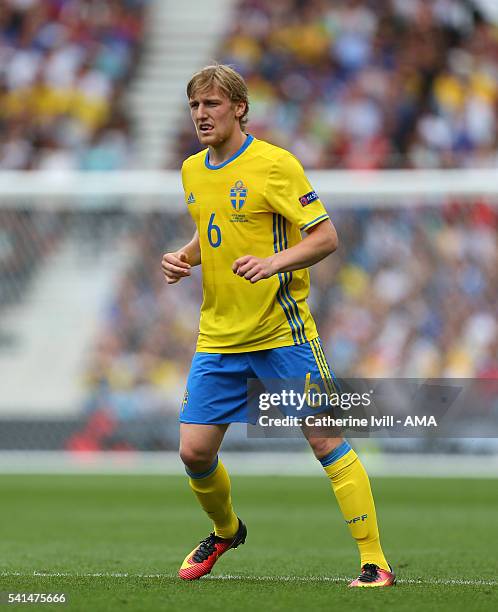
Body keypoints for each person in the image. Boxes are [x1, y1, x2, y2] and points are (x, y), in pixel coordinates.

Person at [161, 64, 395, 587]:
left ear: (239, 107)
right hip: (219, 337)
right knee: (194, 452)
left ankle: (374, 561)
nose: (201, 114)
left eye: (212, 104)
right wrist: (184, 256)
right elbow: (214, 228)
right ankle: (226, 531)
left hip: (281, 333)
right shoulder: (192, 170)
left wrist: (273, 262)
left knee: (324, 437)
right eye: (195, 106)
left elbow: (326, 237)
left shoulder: (275, 165)